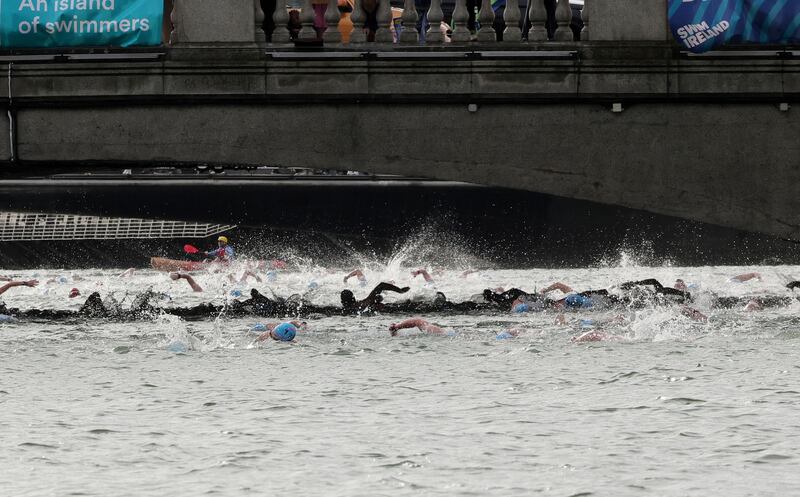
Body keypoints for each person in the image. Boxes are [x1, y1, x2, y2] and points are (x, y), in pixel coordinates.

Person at [341, 282, 410, 314]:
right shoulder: (364, 302)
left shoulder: (344, 310)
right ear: (354, 298)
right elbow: (381, 285)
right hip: (394, 309)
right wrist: (400, 291)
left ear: (342, 302)